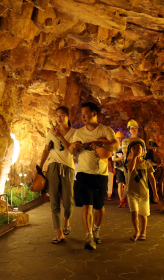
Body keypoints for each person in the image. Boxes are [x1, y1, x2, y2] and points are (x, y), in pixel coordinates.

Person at [71, 102, 119, 250]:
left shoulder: (105, 130)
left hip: (100, 174)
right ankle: (88, 236)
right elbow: (72, 152)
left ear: (94, 114)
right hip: (83, 173)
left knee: (99, 206)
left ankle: (96, 229)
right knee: (87, 206)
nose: (83, 116)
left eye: (86, 113)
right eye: (81, 114)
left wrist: (99, 143)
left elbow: (115, 146)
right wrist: (74, 147)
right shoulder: (78, 133)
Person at [39, 106, 76, 244]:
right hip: (53, 167)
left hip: (67, 168)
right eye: (57, 115)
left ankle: (66, 219)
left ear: (68, 116)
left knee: (68, 201)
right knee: (53, 200)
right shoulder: (51, 132)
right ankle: (59, 232)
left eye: (62, 115)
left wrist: (60, 137)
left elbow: (72, 151)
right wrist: (40, 166)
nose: (59, 118)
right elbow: (46, 150)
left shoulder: (74, 133)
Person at [126, 138, 158, 241]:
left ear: (143, 150)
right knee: (134, 213)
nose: (137, 149)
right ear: (130, 150)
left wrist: (155, 193)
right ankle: (136, 231)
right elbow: (131, 168)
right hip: (132, 193)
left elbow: (152, 178)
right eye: (134, 148)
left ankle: (143, 232)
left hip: (144, 193)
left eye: (139, 148)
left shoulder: (147, 164)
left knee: (143, 215)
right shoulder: (129, 162)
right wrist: (134, 157)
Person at [118, 120, 140, 208]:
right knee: (128, 184)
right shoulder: (125, 141)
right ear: (129, 130)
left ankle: (136, 202)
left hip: (139, 167)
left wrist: (134, 155)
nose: (134, 129)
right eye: (132, 128)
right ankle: (126, 201)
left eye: (135, 128)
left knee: (138, 185)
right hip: (129, 166)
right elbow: (125, 154)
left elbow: (144, 154)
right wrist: (136, 155)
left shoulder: (140, 140)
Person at [113, 131, 127, 205]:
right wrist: (121, 158)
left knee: (126, 184)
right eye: (118, 138)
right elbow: (113, 158)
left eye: (121, 138)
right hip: (118, 167)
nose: (120, 140)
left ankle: (124, 198)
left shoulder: (126, 146)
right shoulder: (115, 147)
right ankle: (121, 200)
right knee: (120, 184)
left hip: (126, 167)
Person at [146, 138, 159, 204]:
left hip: (152, 170)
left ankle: (151, 198)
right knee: (151, 184)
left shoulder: (151, 153)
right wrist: (157, 164)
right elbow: (149, 162)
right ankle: (151, 198)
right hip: (150, 171)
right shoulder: (149, 153)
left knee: (151, 184)